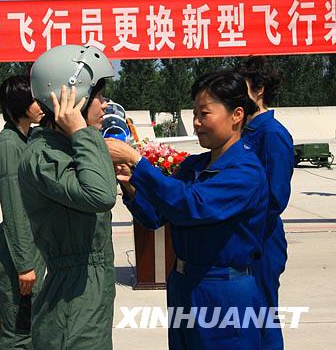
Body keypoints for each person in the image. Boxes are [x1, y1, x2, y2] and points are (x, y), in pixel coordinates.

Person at [106, 71, 269, 349]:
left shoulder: (245, 171)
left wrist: (138, 161)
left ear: (236, 115)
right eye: (194, 114)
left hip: (223, 289)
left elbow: (192, 206)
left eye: (204, 114)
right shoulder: (194, 166)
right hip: (184, 283)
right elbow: (155, 217)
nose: (196, 123)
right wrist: (131, 185)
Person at [18, 45, 117, 350]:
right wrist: (83, 133)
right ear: (71, 99)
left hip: (88, 292)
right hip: (72, 304)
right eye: (98, 96)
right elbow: (100, 195)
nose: (105, 103)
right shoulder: (44, 156)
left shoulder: (66, 148)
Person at [238, 57, 294, 350]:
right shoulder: (247, 131)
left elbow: (276, 198)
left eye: (241, 86)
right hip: (245, 239)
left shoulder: (272, 135)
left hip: (262, 241)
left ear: (258, 90)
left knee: (262, 317)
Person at [0, 75, 45, 349]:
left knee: (33, 326)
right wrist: (25, 265)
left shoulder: (27, 139)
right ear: (21, 105)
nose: (40, 105)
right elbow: (13, 208)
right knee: (18, 331)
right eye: (34, 100)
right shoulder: (9, 146)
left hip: (31, 247)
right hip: (17, 254)